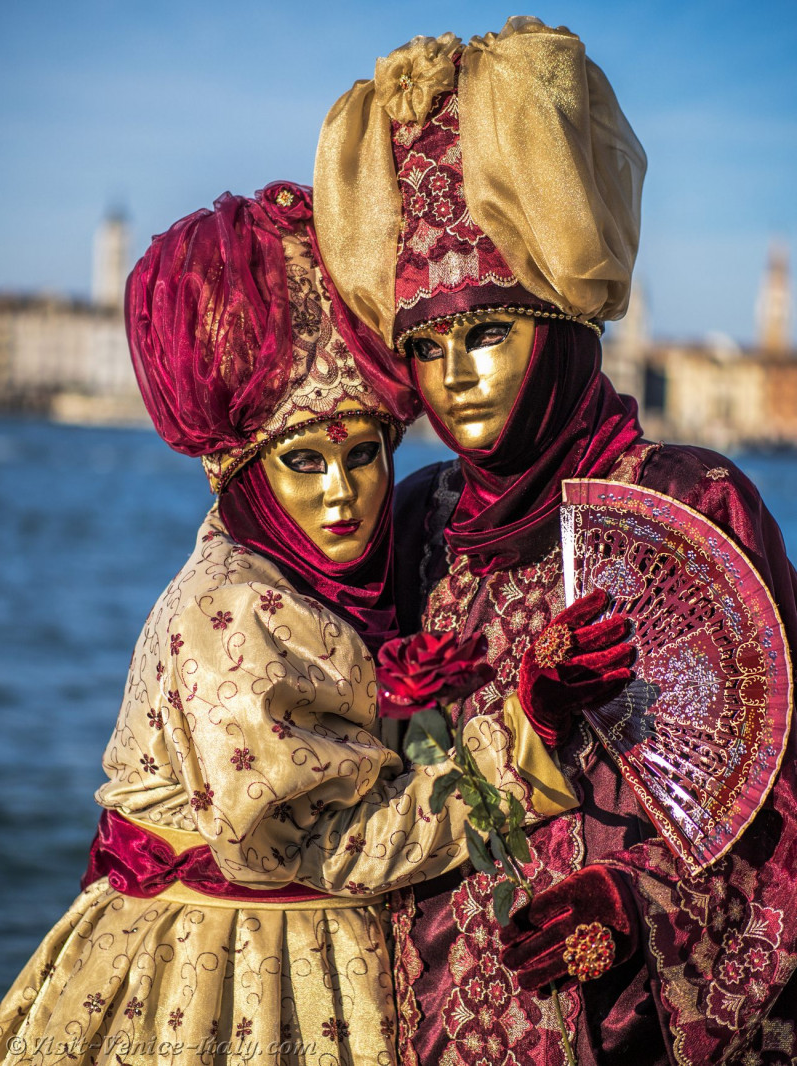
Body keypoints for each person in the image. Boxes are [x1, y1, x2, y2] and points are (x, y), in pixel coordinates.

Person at [0, 182, 574, 1066]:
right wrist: (522, 753)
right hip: (235, 982)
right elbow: (330, 843)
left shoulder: (298, 583)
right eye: (304, 462)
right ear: (245, 471)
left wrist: (376, 684)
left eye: (365, 454)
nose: (343, 494)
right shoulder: (230, 611)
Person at [314, 17, 797, 1065]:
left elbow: (777, 815)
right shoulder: (414, 519)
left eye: (489, 331)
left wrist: (639, 911)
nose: (459, 378)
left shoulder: (685, 501)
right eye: (425, 346)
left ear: (562, 319)